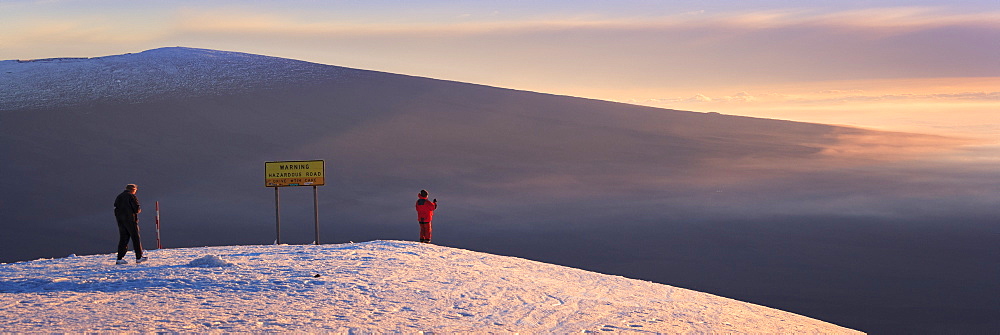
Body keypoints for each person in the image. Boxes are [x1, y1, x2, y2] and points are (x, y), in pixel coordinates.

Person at [114, 184, 146, 264]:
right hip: (130, 220)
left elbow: (116, 208)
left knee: (123, 238)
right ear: (133, 189)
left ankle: (120, 258)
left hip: (120, 221)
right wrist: (138, 210)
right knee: (135, 238)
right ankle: (139, 257)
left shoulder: (119, 196)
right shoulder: (131, 196)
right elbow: (136, 209)